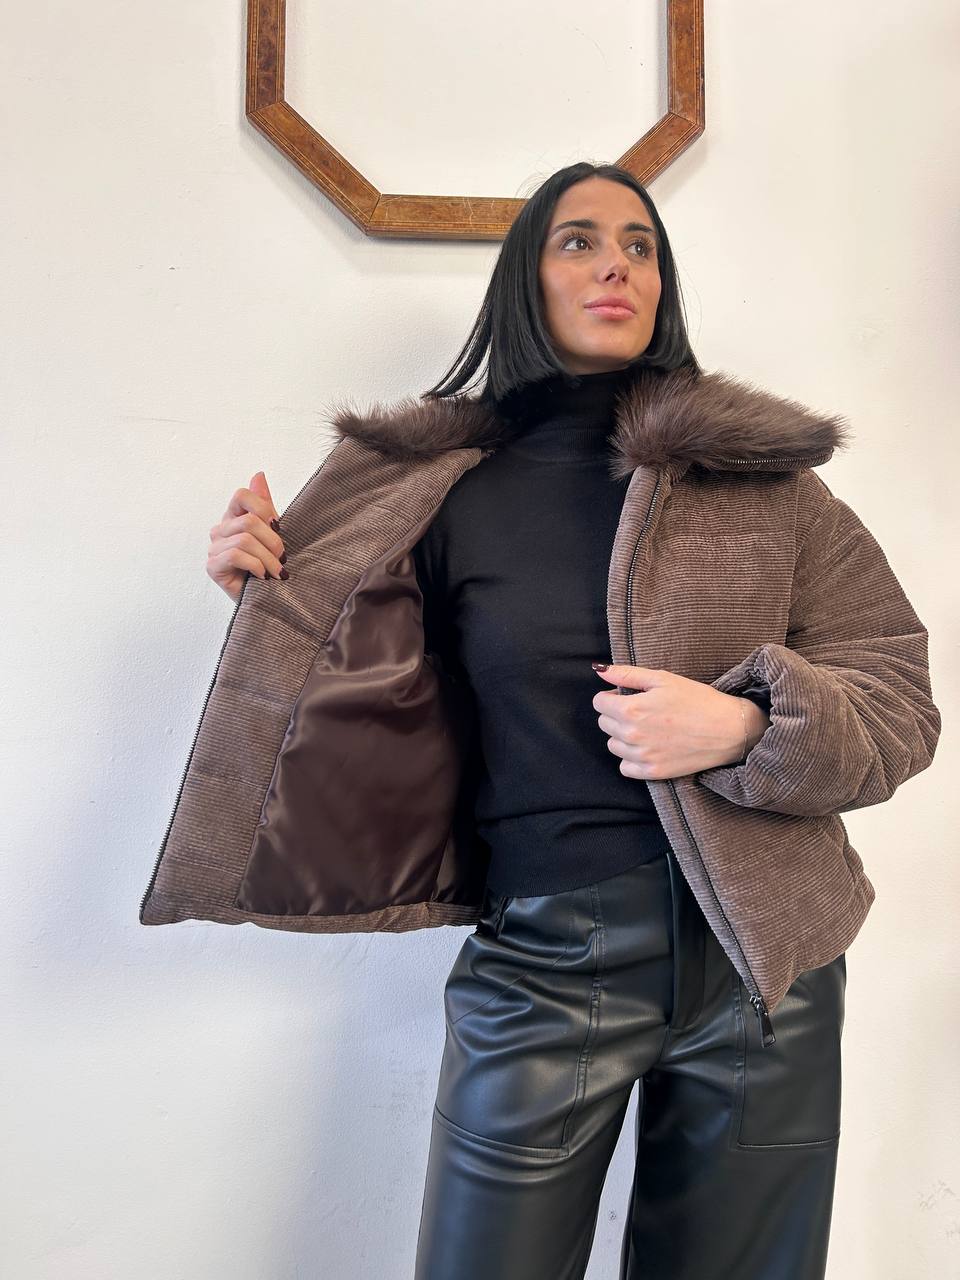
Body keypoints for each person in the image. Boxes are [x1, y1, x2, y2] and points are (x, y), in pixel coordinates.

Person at [162, 161, 941, 1279]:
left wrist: (745, 730)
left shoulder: (766, 482)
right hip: (546, 959)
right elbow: (368, 687)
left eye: (640, 244)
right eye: (579, 240)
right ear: (524, 277)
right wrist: (264, 592)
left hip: (769, 967)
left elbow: (899, 694)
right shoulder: (434, 485)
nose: (616, 264)